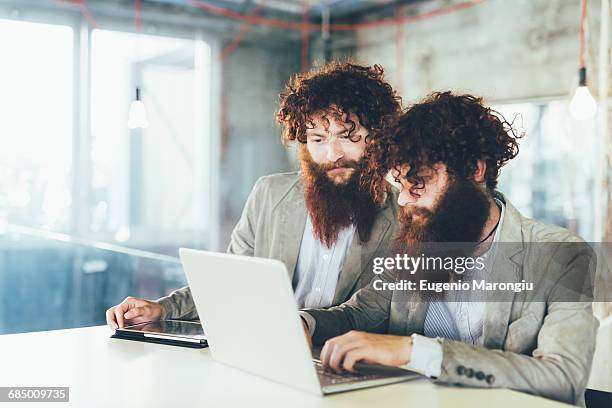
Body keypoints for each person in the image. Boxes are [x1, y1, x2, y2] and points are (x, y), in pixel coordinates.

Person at [300, 92, 598, 406]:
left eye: (419, 181)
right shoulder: (415, 242)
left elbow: (563, 377)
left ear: (475, 171)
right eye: (401, 184)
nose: (403, 200)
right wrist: (305, 323)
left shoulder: (561, 254)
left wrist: (415, 351)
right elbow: (361, 312)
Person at [106, 62, 403, 329]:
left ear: (377, 137)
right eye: (318, 139)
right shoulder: (269, 195)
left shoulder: (405, 216)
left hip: (345, 363)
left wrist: (306, 325)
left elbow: (375, 309)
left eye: (348, 137)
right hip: (262, 349)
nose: (333, 154)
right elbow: (232, 279)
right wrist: (162, 308)